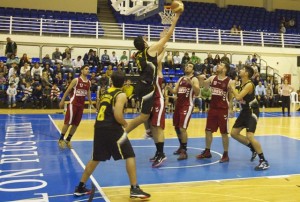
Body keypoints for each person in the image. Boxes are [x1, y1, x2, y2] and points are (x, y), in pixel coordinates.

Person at [74, 71, 150, 199]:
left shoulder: (106, 92)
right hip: (112, 128)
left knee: (96, 158)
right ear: (124, 82)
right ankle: (134, 188)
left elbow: (99, 107)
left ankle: (80, 187)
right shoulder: (121, 94)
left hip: (99, 127)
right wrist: (125, 124)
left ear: (111, 81)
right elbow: (118, 116)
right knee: (129, 154)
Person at [119, 12, 182, 141]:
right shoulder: (149, 51)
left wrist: (163, 47)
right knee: (143, 116)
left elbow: (156, 61)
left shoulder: (138, 55)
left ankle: (148, 131)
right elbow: (169, 35)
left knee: (147, 115)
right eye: (144, 39)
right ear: (143, 43)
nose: (146, 39)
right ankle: (122, 133)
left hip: (142, 86)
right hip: (147, 87)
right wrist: (174, 21)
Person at [229, 65, 270, 171]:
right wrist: (231, 107)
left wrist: (232, 87)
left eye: (242, 69)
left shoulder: (249, 85)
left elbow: (238, 97)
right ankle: (253, 148)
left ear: (246, 73)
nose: (239, 70)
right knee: (233, 133)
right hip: (244, 112)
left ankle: (264, 161)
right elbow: (233, 96)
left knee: (250, 136)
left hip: (252, 111)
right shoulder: (240, 84)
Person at [196, 62, 233, 163]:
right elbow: (203, 85)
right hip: (212, 109)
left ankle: (226, 154)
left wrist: (231, 108)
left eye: (221, 65)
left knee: (224, 132)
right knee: (208, 130)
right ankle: (207, 151)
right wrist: (200, 78)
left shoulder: (229, 81)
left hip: (223, 109)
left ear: (225, 69)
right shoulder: (213, 78)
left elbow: (231, 95)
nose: (218, 66)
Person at [168, 62, 200, 160]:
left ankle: (184, 151)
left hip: (187, 105)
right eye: (186, 65)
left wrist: (191, 84)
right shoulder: (181, 78)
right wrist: (170, 89)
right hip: (178, 105)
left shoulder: (194, 79)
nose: (187, 67)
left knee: (182, 128)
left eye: (190, 66)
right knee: (177, 127)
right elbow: (175, 91)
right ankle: (181, 146)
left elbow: (197, 92)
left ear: (193, 70)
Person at [58, 65, 92, 149]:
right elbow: (68, 90)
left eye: (88, 69)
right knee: (68, 123)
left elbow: (88, 92)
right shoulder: (76, 80)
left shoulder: (89, 82)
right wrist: (62, 100)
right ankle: (61, 139)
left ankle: (68, 140)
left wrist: (90, 101)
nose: (88, 70)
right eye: (86, 69)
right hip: (73, 104)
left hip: (81, 106)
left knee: (76, 124)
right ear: (81, 71)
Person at [148, 48, 167, 167]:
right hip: (151, 102)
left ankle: (161, 154)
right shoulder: (148, 73)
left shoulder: (158, 72)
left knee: (158, 127)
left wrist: (163, 48)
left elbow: (158, 60)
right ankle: (158, 151)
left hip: (158, 101)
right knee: (153, 127)